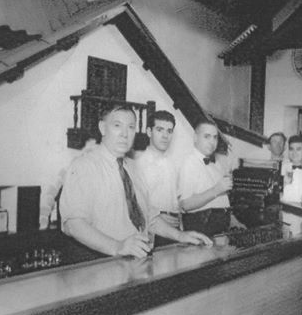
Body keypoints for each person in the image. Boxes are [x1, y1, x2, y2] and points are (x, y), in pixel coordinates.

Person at [60, 105, 212, 259]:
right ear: (103, 128)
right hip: (100, 262)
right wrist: (118, 247)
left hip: (134, 261)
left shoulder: (133, 168)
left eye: (131, 127)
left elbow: (149, 217)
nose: (125, 134)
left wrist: (180, 236)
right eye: (117, 126)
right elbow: (73, 224)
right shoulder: (84, 166)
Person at [178, 119, 233, 236]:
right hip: (201, 229)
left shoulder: (215, 164)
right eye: (207, 136)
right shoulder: (189, 163)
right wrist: (217, 190)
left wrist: (235, 222)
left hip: (220, 228)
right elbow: (185, 204)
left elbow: (222, 201)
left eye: (215, 137)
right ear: (195, 138)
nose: (212, 142)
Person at [135, 110, 180, 245]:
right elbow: (136, 204)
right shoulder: (140, 164)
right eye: (160, 130)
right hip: (153, 231)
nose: (165, 136)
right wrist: (158, 216)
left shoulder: (172, 163)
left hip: (174, 228)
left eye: (169, 131)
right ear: (149, 132)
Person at [280, 135, 302, 203]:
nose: (294, 153)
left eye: (298, 149)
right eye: (291, 149)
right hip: (285, 207)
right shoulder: (282, 168)